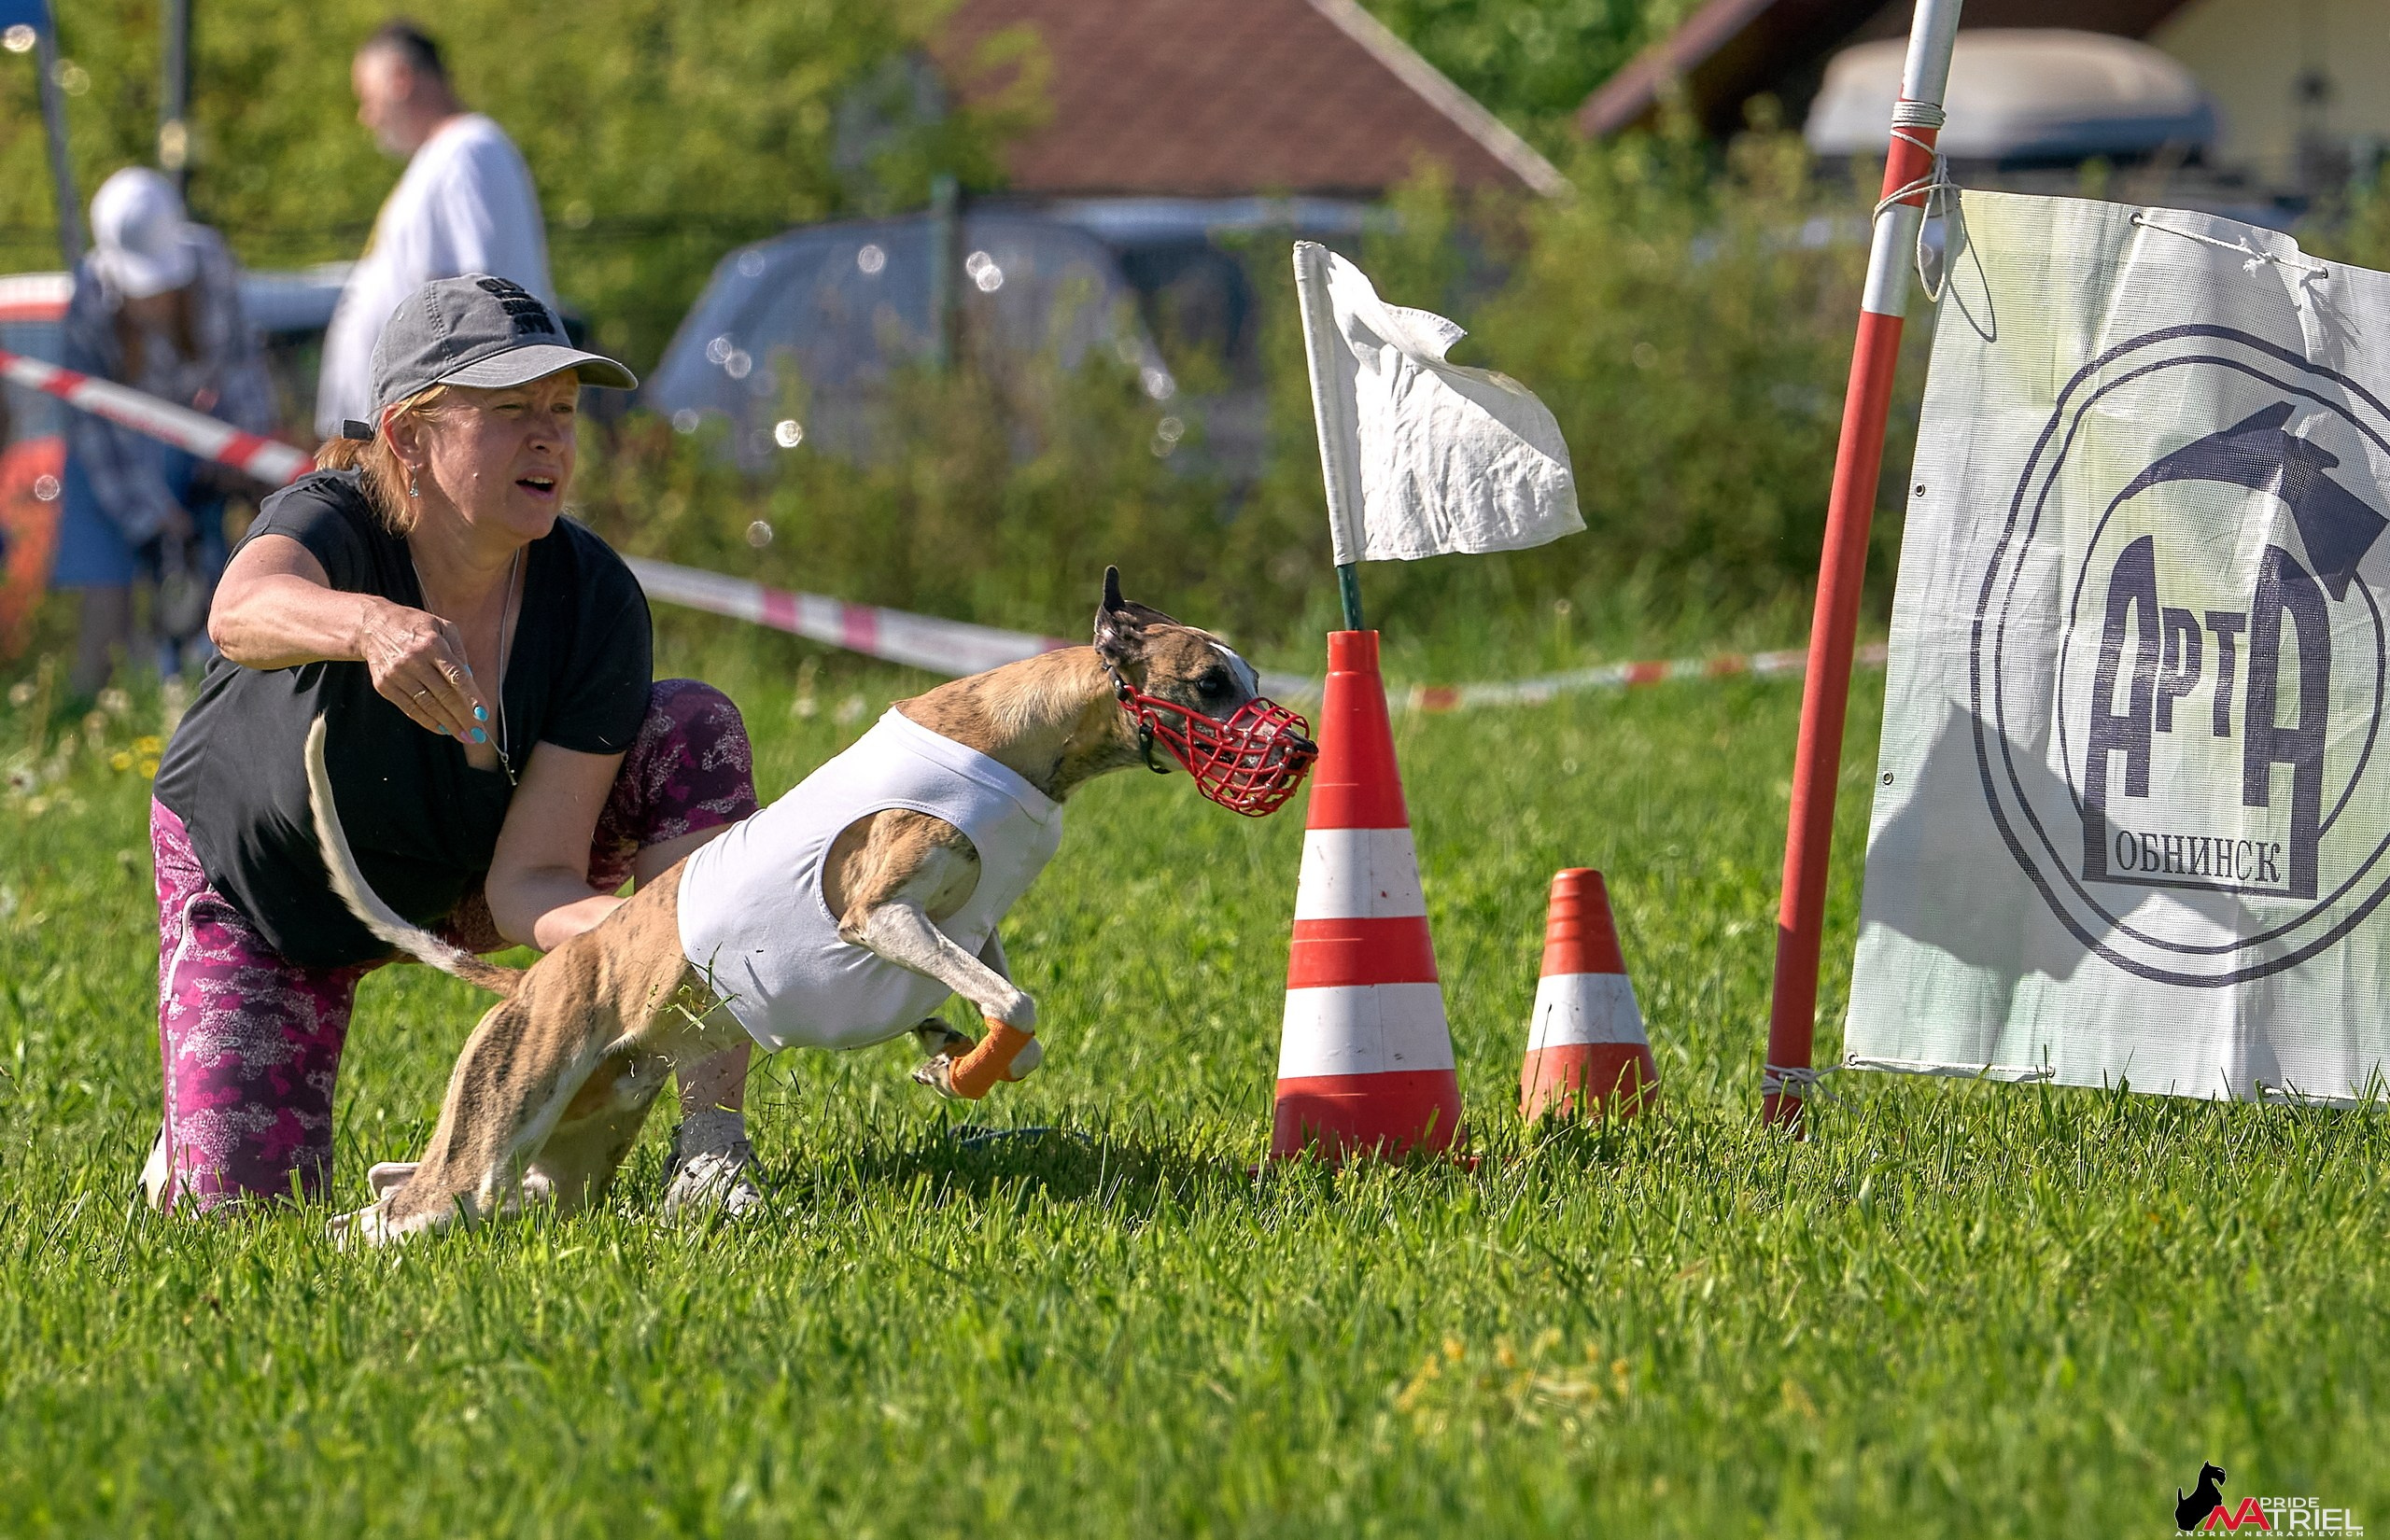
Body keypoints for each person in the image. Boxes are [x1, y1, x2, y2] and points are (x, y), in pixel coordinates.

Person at [148, 275, 762, 1218]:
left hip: (463, 876)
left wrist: (666, 939)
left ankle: (710, 1155)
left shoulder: (594, 598)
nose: (550, 438)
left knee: (690, 727)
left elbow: (532, 881)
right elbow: (238, 610)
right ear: (407, 436)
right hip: (271, 897)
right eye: (512, 410)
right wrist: (368, 626)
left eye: (562, 409)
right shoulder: (333, 518)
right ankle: (196, 1125)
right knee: (242, 1218)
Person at [55, 167, 274, 696]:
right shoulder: (88, 301)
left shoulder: (211, 263)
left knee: (212, 593)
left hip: (195, 441)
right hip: (113, 460)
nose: (154, 297)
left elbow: (242, 370)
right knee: (106, 612)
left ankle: (203, 705)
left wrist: (247, 462)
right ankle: (87, 716)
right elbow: (95, 430)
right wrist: (154, 520)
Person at [314, 20, 552, 440]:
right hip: (405, 433)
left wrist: (451, 432)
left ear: (400, 79)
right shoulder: (447, 156)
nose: (366, 116)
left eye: (367, 98)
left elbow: (481, 304)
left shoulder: (468, 151)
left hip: (432, 434)